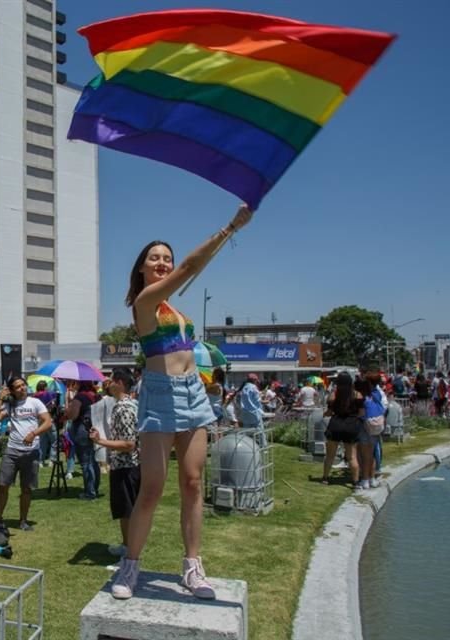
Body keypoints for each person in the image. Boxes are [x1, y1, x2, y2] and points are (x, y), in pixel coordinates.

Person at [113, 204, 253, 601]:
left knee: (193, 484)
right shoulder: (143, 302)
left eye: (167, 259)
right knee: (152, 488)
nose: (162, 262)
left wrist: (216, 246)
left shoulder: (172, 306)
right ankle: (131, 565)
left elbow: (193, 268)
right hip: (160, 393)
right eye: (155, 258)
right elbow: (191, 268)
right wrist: (229, 228)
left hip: (192, 391)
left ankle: (193, 566)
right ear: (142, 268)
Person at [0, 376, 53, 531]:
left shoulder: (35, 402)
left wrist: (34, 433)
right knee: (3, 485)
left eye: (23, 385)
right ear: (12, 390)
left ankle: (23, 521)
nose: (22, 388)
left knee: (27, 488)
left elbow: (48, 421)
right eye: (17, 387)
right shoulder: (10, 405)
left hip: (30, 453)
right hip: (11, 451)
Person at [89, 368, 140, 558]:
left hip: (126, 466)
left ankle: (130, 552)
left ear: (119, 382)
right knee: (124, 510)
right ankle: (127, 545)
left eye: (111, 381)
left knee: (128, 511)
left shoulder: (124, 408)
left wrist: (100, 441)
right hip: (125, 465)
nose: (108, 384)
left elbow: (128, 444)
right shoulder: (129, 404)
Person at [321, 372, 364, 487]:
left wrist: (325, 414)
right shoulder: (357, 395)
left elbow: (330, 412)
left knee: (330, 455)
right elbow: (361, 413)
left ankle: (325, 478)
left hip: (336, 424)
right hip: (351, 425)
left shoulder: (333, 395)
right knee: (351, 456)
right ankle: (355, 481)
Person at [64, 381, 101, 500]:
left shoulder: (80, 397)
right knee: (94, 461)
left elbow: (73, 415)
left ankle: (89, 492)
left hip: (82, 430)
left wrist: (68, 409)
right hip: (95, 429)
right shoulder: (96, 396)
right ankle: (94, 488)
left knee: (85, 462)